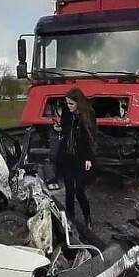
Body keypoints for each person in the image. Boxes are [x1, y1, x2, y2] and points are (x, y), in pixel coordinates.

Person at [57, 88, 97, 229]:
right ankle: (70, 219)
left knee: (79, 191)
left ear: (79, 103)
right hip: (67, 156)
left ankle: (87, 218)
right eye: (67, 103)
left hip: (81, 157)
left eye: (71, 104)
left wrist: (89, 158)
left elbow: (91, 137)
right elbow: (64, 129)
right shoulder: (66, 112)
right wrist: (59, 128)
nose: (68, 106)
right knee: (69, 191)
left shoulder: (89, 114)